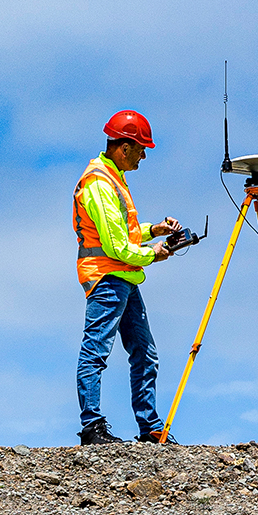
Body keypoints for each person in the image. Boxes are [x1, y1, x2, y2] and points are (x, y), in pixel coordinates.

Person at [73, 110, 182, 445]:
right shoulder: (101, 184)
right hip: (106, 278)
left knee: (144, 352)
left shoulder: (113, 177)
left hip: (124, 277)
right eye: (140, 148)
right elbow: (117, 246)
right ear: (123, 147)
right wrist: (155, 253)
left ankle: (150, 428)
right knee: (96, 351)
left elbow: (125, 233)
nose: (144, 155)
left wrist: (154, 230)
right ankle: (92, 427)